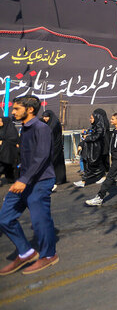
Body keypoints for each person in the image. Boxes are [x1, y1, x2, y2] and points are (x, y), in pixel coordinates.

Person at [0, 96, 58, 275]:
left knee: (40, 220)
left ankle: (49, 255)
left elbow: (41, 157)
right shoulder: (24, 129)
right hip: (24, 180)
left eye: (17, 109)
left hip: (39, 181)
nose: (13, 112)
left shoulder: (41, 128)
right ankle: (26, 252)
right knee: (5, 218)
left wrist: (23, 180)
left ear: (30, 110)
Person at [85, 113, 117, 206]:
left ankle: (99, 197)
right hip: (115, 156)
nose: (111, 120)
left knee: (110, 176)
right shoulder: (115, 130)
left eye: (113, 119)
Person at [73, 109, 108, 187]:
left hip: (95, 149)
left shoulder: (100, 127)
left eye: (92, 118)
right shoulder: (94, 126)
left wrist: (87, 137)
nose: (90, 119)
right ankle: (103, 176)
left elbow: (97, 136)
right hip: (91, 149)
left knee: (91, 165)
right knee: (96, 165)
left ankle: (84, 181)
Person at [41, 110, 66, 189]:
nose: (45, 119)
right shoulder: (49, 123)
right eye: (44, 117)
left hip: (55, 146)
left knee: (53, 162)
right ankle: (57, 179)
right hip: (53, 146)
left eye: (46, 117)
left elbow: (49, 133)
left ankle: (54, 180)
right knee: (56, 163)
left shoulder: (54, 123)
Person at [0, 117, 20, 185]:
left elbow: (14, 139)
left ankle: (11, 179)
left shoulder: (11, 129)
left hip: (10, 151)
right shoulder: (1, 129)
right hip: (3, 151)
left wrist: (2, 142)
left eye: (1, 121)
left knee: (8, 166)